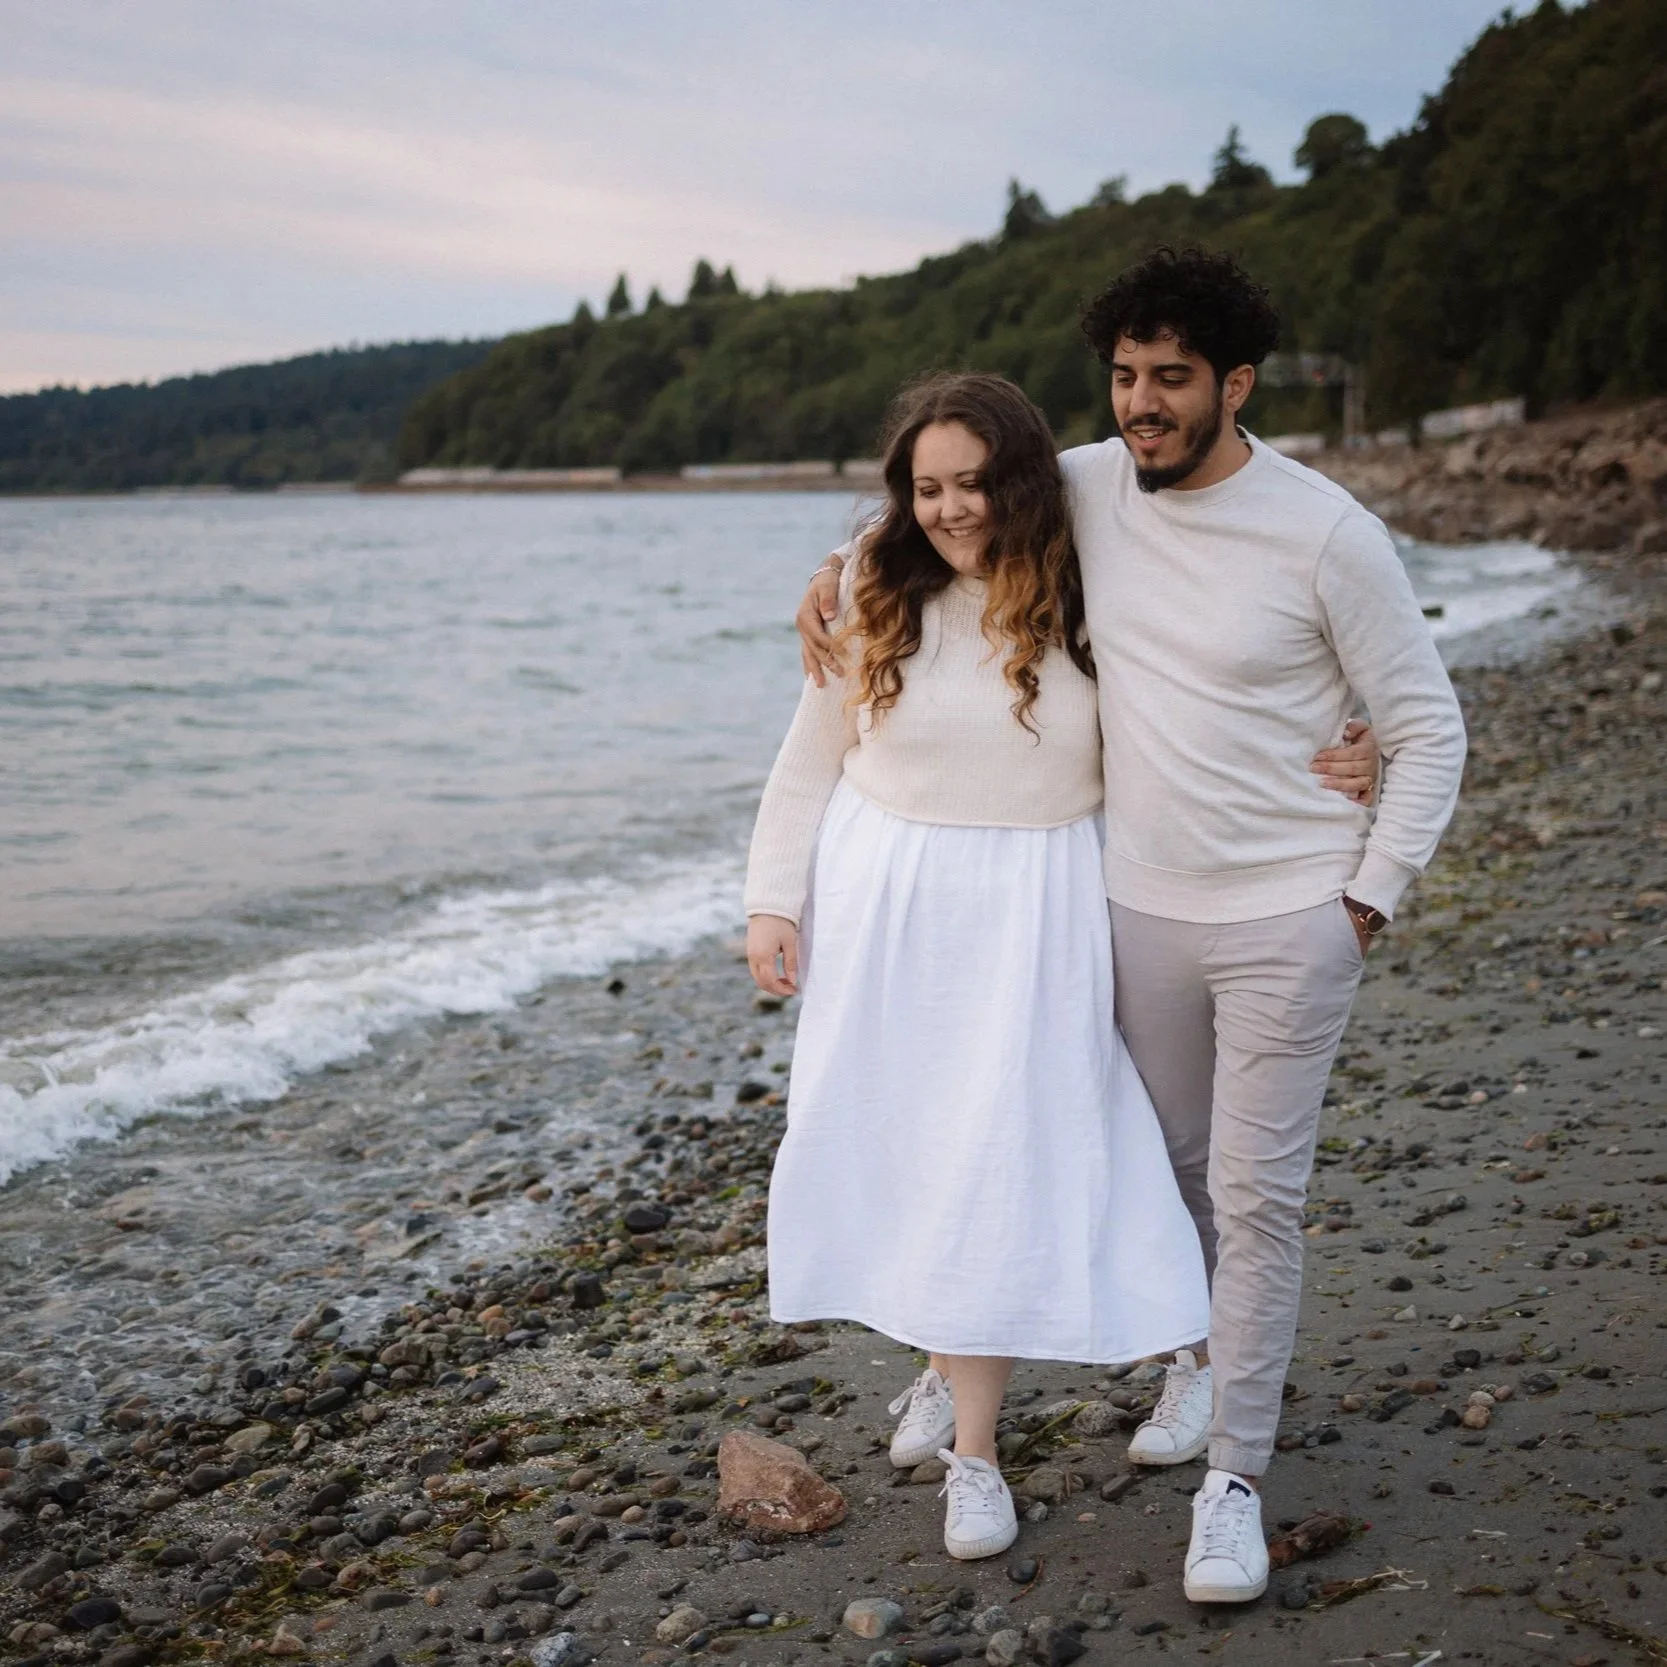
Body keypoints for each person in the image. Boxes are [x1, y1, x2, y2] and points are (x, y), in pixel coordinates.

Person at [796, 248, 1466, 1603]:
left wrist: (1365, 896)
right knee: (1158, 1162)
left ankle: (1232, 1480)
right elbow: (951, 517)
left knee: (1255, 1194)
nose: (1142, 405)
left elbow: (1425, 723)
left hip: (1292, 912)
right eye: (1123, 379)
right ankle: (1187, 1348)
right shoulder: (1091, 488)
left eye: (1170, 380)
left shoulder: (1326, 530)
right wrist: (840, 565)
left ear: (1236, 384)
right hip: (1136, 907)